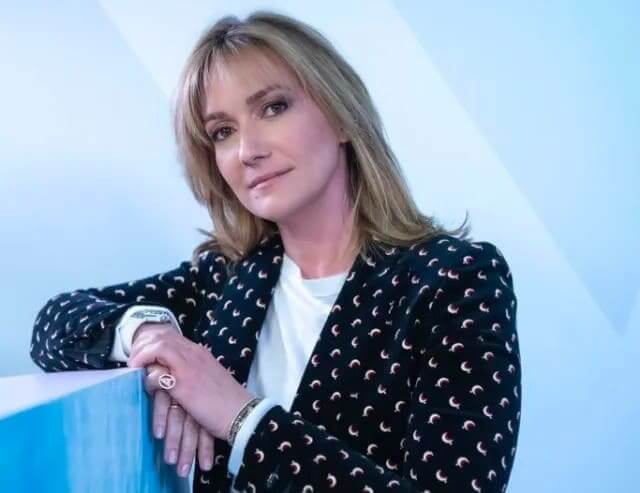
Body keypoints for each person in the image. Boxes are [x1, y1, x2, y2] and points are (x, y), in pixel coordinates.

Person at [30, 10, 521, 493]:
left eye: (273, 107)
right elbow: (54, 325)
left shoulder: (456, 279)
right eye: (223, 131)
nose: (248, 150)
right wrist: (152, 334)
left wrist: (241, 417)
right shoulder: (225, 277)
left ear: (341, 115)